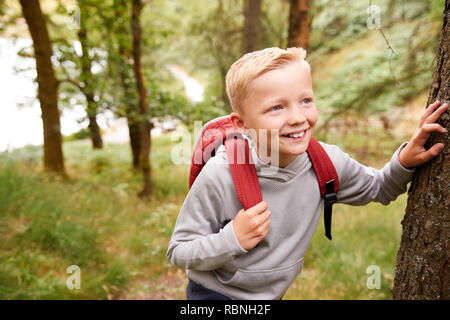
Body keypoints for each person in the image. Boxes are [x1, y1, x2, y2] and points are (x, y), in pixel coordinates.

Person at [166, 47, 448, 300]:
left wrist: (405, 160)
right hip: (215, 295)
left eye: (305, 101)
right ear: (241, 124)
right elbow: (179, 250)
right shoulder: (221, 174)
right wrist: (232, 239)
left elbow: (380, 188)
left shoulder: (326, 161)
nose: (298, 117)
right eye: (277, 107)